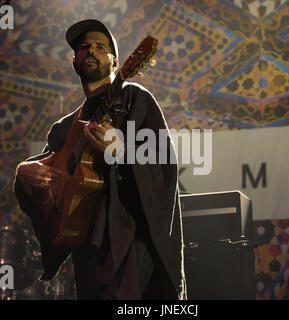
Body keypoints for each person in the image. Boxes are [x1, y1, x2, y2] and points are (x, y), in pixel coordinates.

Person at [13, 19, 187, 300]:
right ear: (74, 62)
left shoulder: (134, 100)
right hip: (87, 259)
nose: (91, 51)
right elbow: (46, 172)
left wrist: (122, 152)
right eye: (84, 47)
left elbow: (164, 165)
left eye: (100, 47)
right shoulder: (63, 128)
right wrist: (23, 173)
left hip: (131, 248)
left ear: (117, 63)